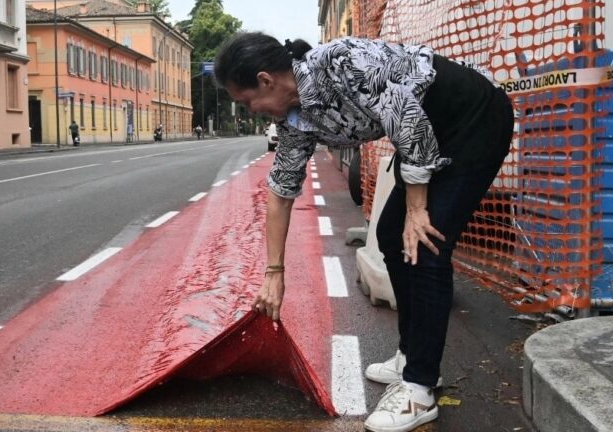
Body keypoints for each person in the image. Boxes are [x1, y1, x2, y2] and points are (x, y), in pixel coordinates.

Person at [214, 33, 513, 432]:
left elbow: (406, 116)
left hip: (472, 117)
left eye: (245, 100)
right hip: (424, 138)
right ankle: (412, 356)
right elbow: (280, 193)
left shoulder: (341, 62)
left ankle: (419, 391)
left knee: (423, 244)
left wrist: (418, 209)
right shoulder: (294, 122)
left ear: (266, 80)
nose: (250, 110)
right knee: (391, 237)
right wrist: (273, 273)